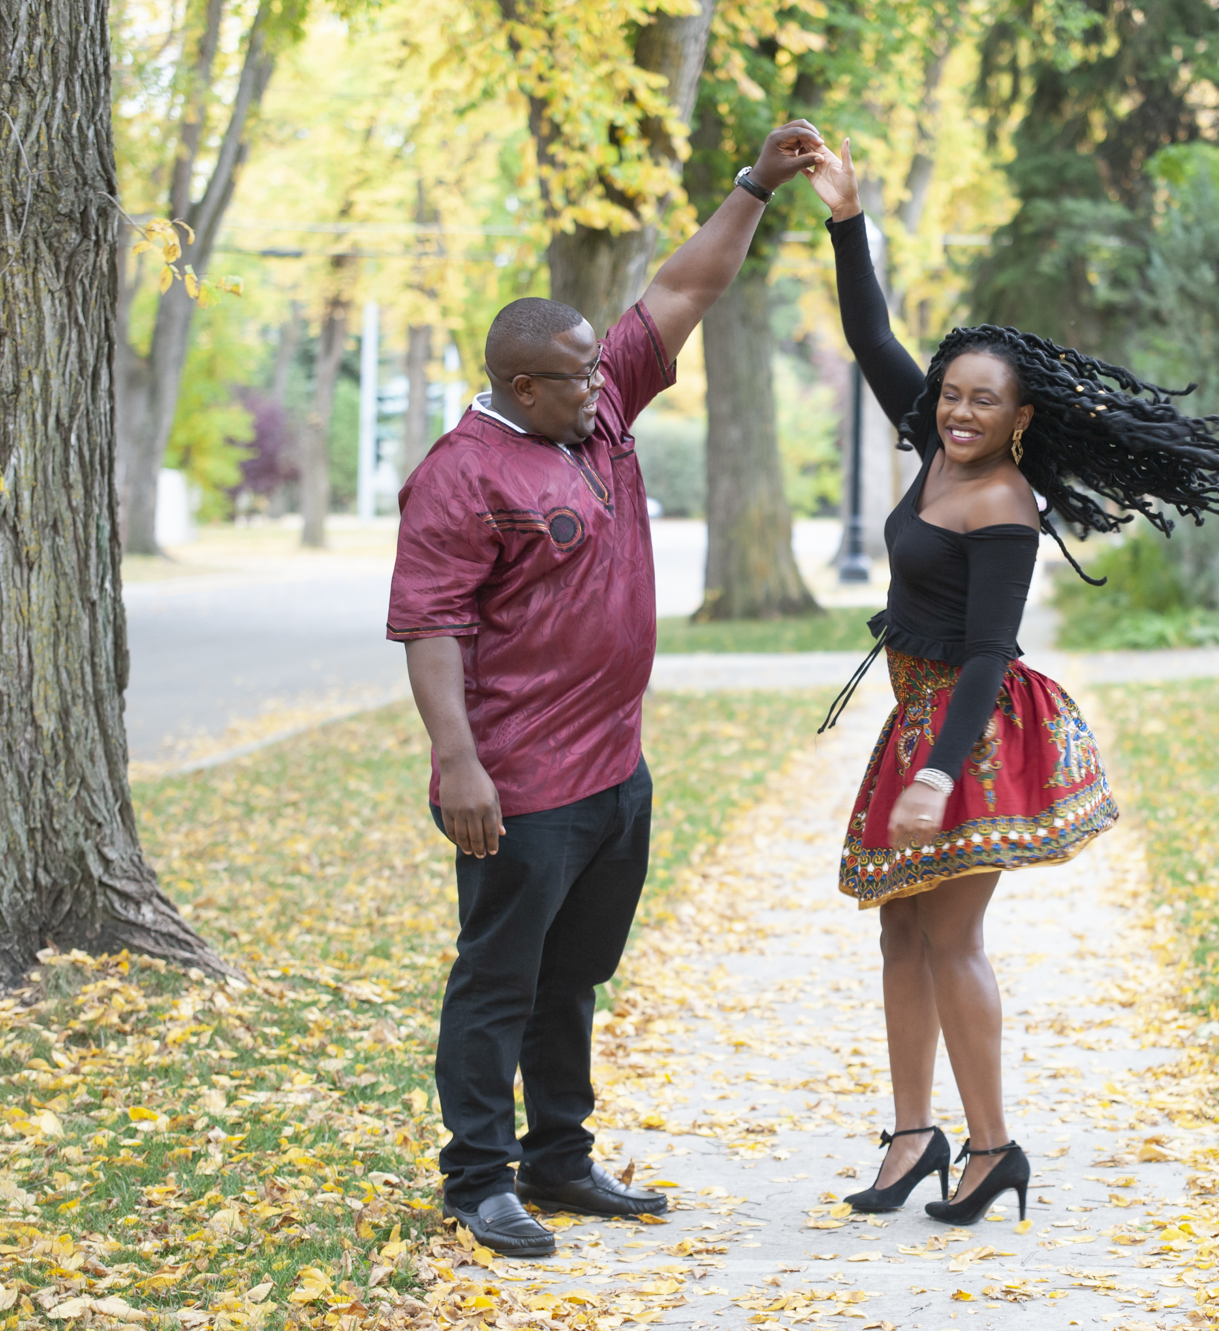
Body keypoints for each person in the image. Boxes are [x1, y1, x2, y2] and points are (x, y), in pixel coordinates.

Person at [386, 121, 828, 1259]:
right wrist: (459, 762)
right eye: (580, 371)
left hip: (613, 772)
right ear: (520, 383)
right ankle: (477, 1177)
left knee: (573, 973)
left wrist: (754, 186)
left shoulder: (599, 410)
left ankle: (558, 1157)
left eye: (599, 364)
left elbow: (685, 285)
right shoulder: (460, 473)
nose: (604, 379)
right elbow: (430, 630)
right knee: (499, 975)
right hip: (516, 782)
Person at [801, 139, 1219, 1224]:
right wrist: (845, 219)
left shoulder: (1001, 503)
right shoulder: (932, 444)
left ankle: (993, 1144)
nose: (955, 413)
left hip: (970, 726)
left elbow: (987, 652)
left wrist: (935, 773)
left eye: (978, 404)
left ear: (1019, 420)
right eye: (947, 395)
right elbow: (869, 333)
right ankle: (913, 1134)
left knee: (949, 933)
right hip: (916, 715)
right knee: (896, 929)